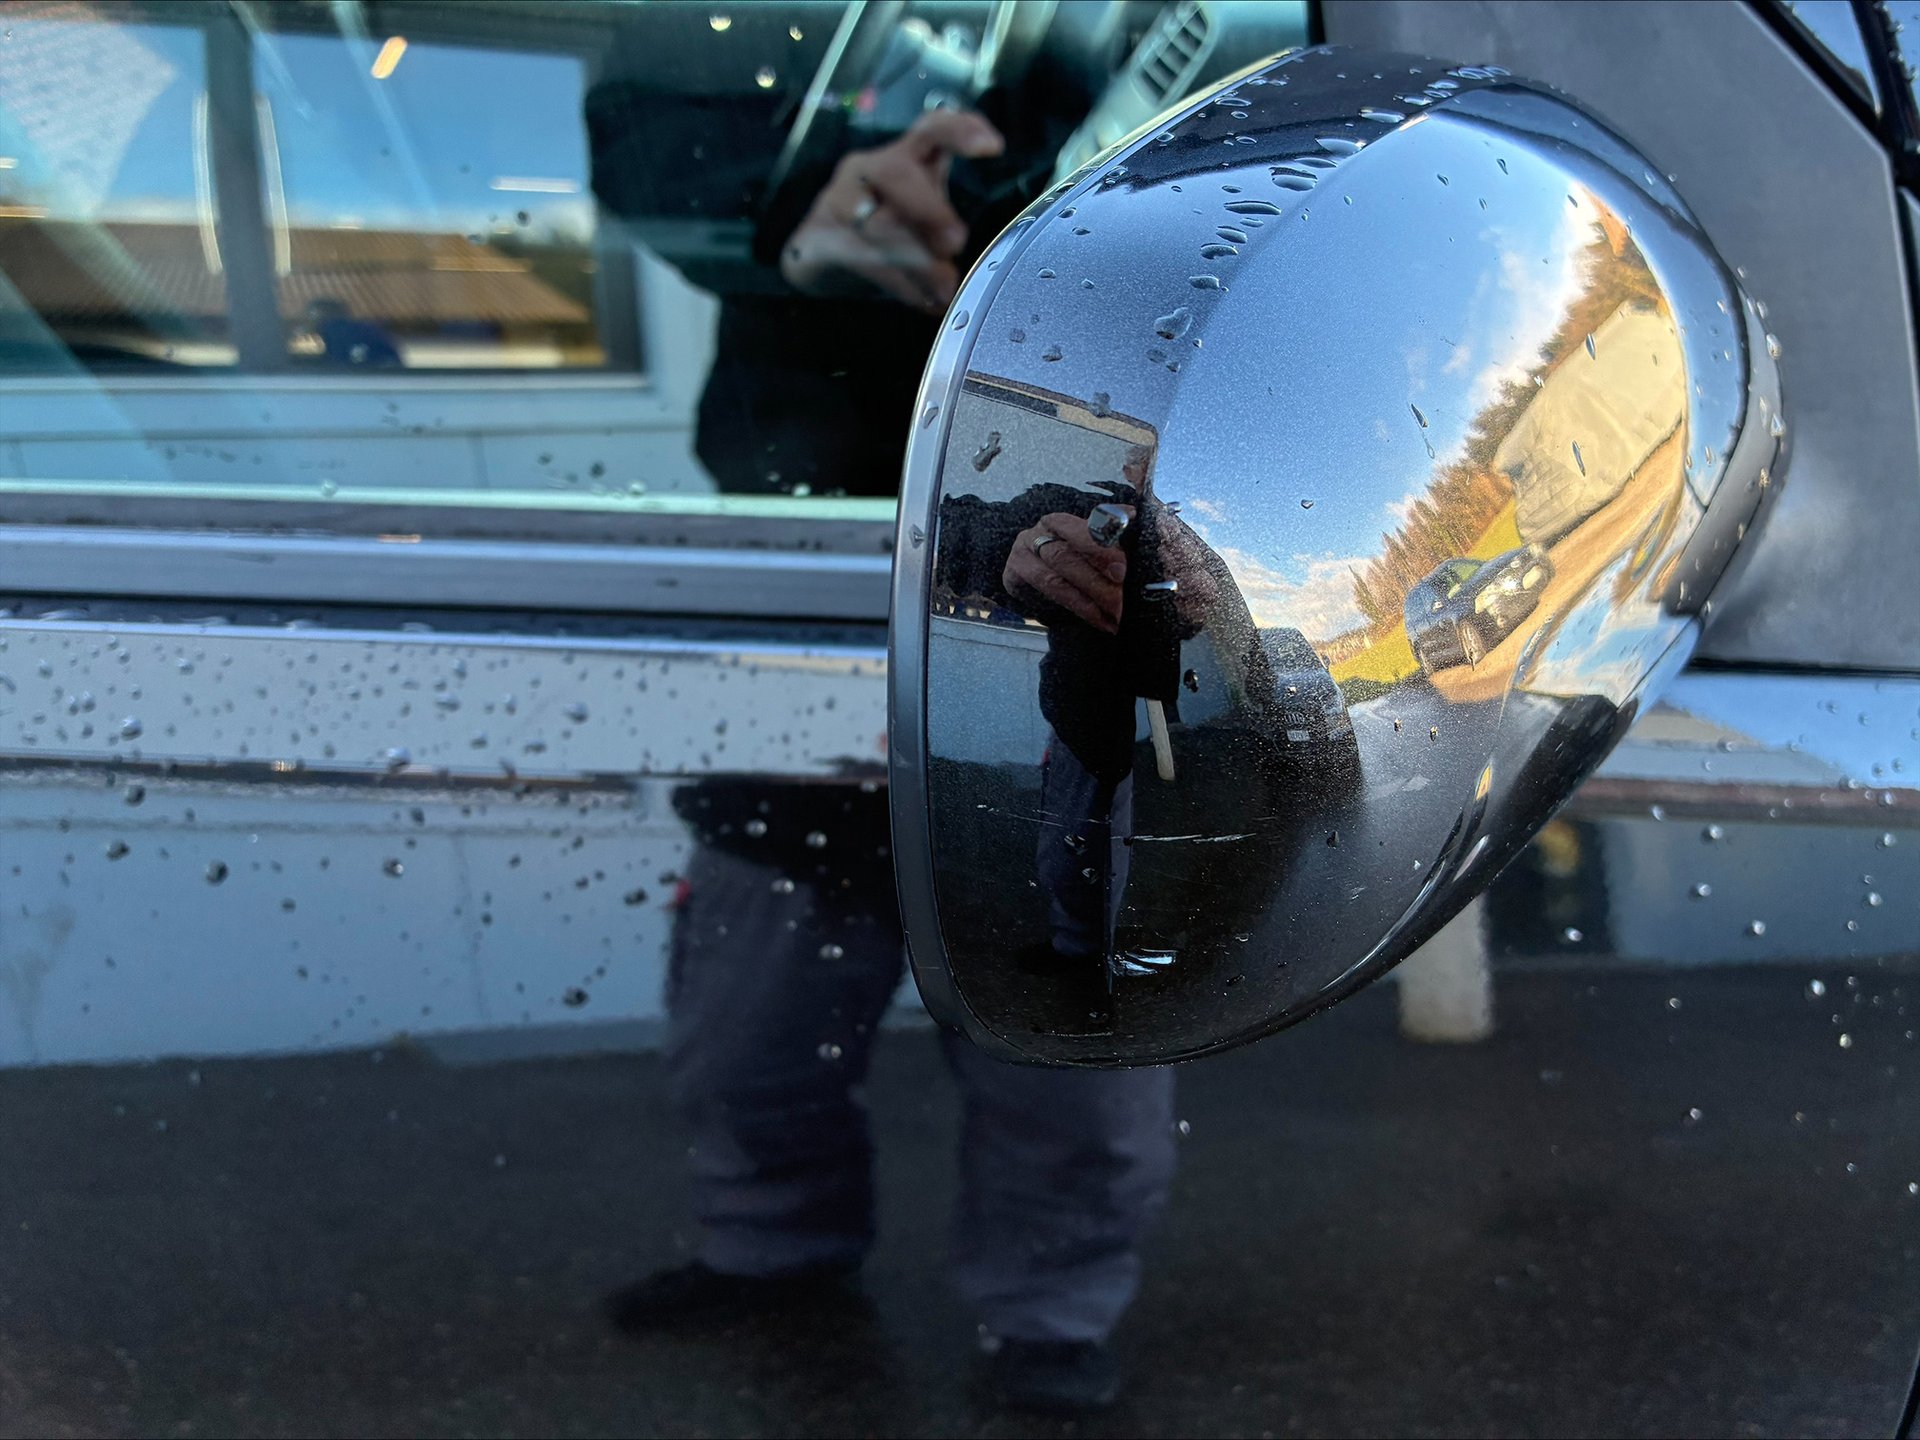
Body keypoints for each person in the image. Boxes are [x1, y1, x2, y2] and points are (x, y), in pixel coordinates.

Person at [588, 85, 1180, 1414]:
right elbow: (640, 118)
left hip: (1048, 604)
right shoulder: (769, 62)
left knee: (1067, 1060)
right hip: (800, 581)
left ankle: (1051, 1318)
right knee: (745, 1038)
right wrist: (791, 194)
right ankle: (771, 1246)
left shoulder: (1128, 54)